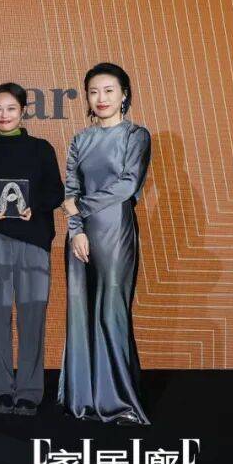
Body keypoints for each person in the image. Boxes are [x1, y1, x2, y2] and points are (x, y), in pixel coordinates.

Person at [59, 63, 152, 426]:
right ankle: (83, 398)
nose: (101, 98)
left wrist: (80, 207)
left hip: (116, 231)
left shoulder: (136, 136)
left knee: (112, 309)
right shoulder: (80, 140)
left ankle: (120, 400)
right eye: (94, 91)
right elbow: (70, 190)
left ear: (124, 94)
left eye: (109, 90)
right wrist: (76, 229)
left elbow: (128, 184)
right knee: (81, 311)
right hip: (81, 236)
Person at [0, 83, 63, 416]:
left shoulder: (41, 149)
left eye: (11, 108)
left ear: (23, 111)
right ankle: (1, 390)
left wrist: (34, 206)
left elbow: (56, 192)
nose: (4, 115)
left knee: (32, 317)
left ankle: (30, 391)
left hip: (34, 242)